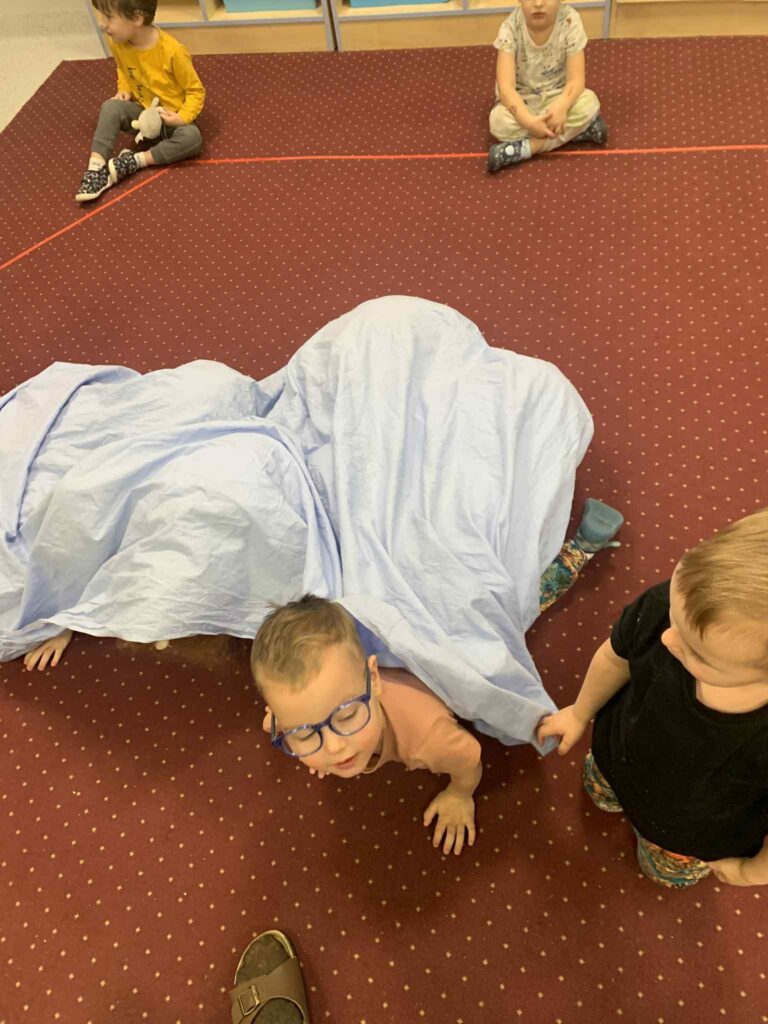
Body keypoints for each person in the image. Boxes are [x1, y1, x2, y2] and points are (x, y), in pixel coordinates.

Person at [252, 500, 622, 858]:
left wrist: (461, 793)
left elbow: (469, 758)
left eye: (347, 715)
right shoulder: (290, 720)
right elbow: (279, 721)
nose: (333, 748)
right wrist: (300, 733)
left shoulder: (428, 737)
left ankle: (581, 548)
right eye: (305, 733)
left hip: (450, 630)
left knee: (519, 603)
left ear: (374, 678)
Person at [538, 508, 768, 889]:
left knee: (661, 873)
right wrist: (579, 713)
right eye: (674, 618)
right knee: (599, 792)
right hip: (617, 756)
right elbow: (615, 657)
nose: (667, 638)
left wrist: (752, 872)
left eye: (698, 654)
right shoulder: (677, 610)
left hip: (685, 837)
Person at [75, 0, 205, 202]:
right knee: (110, 107)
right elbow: (123, 69)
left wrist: (181, 118)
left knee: (192, 138)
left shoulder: (173, 51)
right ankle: (95, 168)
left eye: (108, 17)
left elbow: (196, 92)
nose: (101, 23)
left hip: (170, 120)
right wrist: (124, 89)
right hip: (141, 116)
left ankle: (134, 161)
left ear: (136, 18)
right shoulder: (117, 42)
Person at [487, 0, 607, 173]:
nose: (538, 3)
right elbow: (506, 88)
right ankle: (575, 133)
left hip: (558, 97)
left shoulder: (570, 21)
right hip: (523, 101)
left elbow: (576, 81)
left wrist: (562, 106)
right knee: (498, 122)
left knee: (589, 102)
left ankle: (528, 148)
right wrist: (529, 122)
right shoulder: (510, 28)